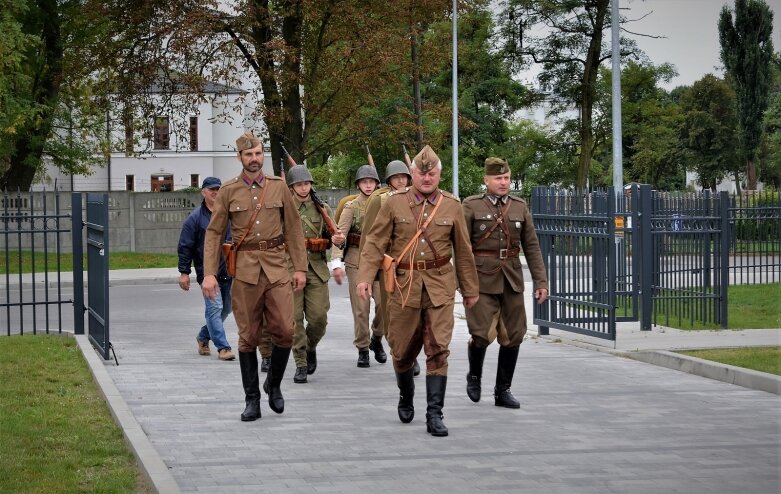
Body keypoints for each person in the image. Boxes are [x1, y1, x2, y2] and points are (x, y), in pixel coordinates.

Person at [356, 145, 479, 437]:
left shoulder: (452, 205)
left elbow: (463, 251)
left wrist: (470, 289)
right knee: (402, 350)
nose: (427, 178)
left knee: (438, 349)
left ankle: (434, 414)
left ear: (439, 174)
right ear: (412, 174)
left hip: (439, 285)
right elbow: (374, 242)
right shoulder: (393, 203)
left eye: (432, 173)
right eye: (422, 173)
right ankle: (405, 395)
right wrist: (364, 277)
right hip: (403, 286)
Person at [202, 131, 307, 422]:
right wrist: (209, 273)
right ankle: (252, 400)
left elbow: (294, 228)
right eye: (249, 155)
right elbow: (213, 233)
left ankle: (273, 384)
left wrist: (300, 267)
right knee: (247, 338)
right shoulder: (228, 191)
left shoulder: (278, 186)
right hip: (245, 272)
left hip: (276, 269)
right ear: (240, 157)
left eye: (258, 154)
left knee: (286, 331)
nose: (254, 159)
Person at [462, 157, 548, 408]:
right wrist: (464, 281)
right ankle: (474, 376)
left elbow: (531, 246)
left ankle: (503, 390)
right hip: (481, 279)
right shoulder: (471, 206)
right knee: (480, 334)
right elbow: (462, 246)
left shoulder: (520, 206)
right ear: (486, 180)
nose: (503, 182)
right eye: (498, 178)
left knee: (514, 335)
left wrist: (541, 281)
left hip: (511, 278)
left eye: (506, 178)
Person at [357, 159, 421, 376]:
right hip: (389, 265)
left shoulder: (418, 198)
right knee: (391, 313)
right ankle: (403, 356)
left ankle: (406, 352)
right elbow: (370, 237)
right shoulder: (380, 200)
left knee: (414, 314)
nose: (401, 180)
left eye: (404, 176)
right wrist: (369, 270)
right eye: (396, 177)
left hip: (413, 265)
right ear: (389, 180)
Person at [286, 164, 345, 383]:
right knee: (294, 320)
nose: (303, 188)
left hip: (316, 268)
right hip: (290, 268)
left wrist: (338, 240)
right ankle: (300, 361)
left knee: (319, 318)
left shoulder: (322, 209)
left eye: (306, 184)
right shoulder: (284, 207)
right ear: (291, 187)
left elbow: (334, 236)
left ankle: (309, 347)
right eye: (299, 184)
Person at [330, 164, 385, 368]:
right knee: (361, 309)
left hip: (379, 260)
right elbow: (339, 236)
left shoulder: (385, 204)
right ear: (359, 184)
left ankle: (377, 338)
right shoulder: (351, 206)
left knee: (384, 306)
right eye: (364, 182)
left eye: (371, 182)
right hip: (356, 260)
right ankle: (363, 348)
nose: (368, 185)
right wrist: (336, 262)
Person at [177, 177, 235, 361]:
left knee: (227, 308)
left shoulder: (230, 214)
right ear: (203, 192)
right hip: (207, 272)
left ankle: (203, 337)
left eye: (219, 189)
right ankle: (223, 347)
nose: (216, 193)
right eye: (212, 190)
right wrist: (184, 272)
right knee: (214, 308)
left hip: (229, 270)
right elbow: (185, 246)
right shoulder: (194, 219)